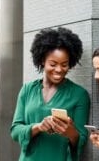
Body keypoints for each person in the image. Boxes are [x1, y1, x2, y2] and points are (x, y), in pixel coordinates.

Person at [11, 27, 90, 161]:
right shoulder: (27, 90)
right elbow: (15, 131)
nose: (59, 70)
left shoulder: (79, 95)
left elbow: (81, 140)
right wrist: (38, 127)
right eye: (53, 64)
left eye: (64, 65)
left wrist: (70, 131)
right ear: (42, 61)